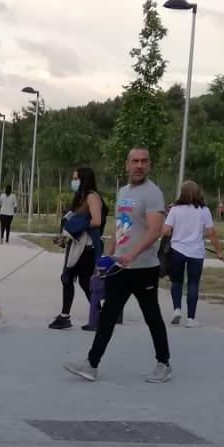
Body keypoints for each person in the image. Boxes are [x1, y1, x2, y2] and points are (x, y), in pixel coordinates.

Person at [65, 145, 170, 384]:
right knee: (108, 315)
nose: (139, 165)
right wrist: (108, 256)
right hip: (119, 267)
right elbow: (120, 227)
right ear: (127, 164)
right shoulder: (123, 192)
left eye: (144, 161)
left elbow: (156, 230)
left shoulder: (152, 193)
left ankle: (164, 363)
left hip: (143, 267)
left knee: (151, 315)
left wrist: (133, 253)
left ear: (149, 165)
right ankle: (91, 364)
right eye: (135, 161)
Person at [48, 167, 104, 331]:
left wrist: (77, 226)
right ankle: (65, 316)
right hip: (76, 244)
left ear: (84, 179)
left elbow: (97, 221)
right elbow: (73, 222)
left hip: (87, 246)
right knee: (67, 278)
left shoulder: (92, 197)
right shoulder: (79, 198)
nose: (73, 181)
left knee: (85, 281)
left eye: (76, 178)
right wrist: (63, 237)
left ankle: (99, 315)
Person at [163, 179, 224, 326]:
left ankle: (177, 309)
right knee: (193, 284)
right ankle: (191, 318)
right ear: (198, 194)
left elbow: (166, 230)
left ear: (181, 194)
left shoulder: (175, 210)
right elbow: (211, 233)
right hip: (196, 252)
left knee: (176, 281)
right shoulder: (204, 211)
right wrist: (218, 251)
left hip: (177, 250)